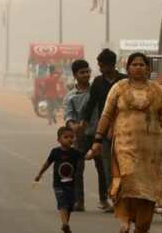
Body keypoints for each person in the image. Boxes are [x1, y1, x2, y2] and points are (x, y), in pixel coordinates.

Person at [89, 52, 162, 233]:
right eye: (134, 64)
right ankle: (125, 222)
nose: (138, 67)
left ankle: (141, 227)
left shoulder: (156, 90)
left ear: (148, 69)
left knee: (147, 193)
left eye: (142, 64)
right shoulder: (119, 88)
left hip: (150, 153)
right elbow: (105, 115)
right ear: (127, 68)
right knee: (125, 184)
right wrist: (97, 139)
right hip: (124, 147)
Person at [77, 48, 127, 212]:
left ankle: (126, 198)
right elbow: (91, 103)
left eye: (101, 65)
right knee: (107, 166)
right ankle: (113, 198)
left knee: (125, 165)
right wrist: (84, 120)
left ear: (110, 65)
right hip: (105, 131)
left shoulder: (124, 81)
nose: (99, 68)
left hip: (125, 130)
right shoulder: (98, 82)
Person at [63, 59, 106, 212]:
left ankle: (104, 200)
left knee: (103, 168)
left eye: (88, 71)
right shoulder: (70, 97)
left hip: (99, 134)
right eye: (82, 72)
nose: (86, 75)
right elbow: (68, 117)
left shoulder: (97, 90)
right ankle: (78, 202)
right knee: (77, 169)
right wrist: (74, 127)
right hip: (81, 137)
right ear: (75, 75)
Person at [34, 126, 83, 233]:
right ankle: (65, 224)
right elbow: (47, 164)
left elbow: (86, 157)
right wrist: (39, 174)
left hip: (71, 184)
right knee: (63, 204)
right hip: (58, 185)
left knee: (70, 206)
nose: (69, 139)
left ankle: (65, 224)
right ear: (59, 140)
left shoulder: (75, 153)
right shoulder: (55, 152)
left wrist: (93, 153)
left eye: (71, 137)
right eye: (66, 137)